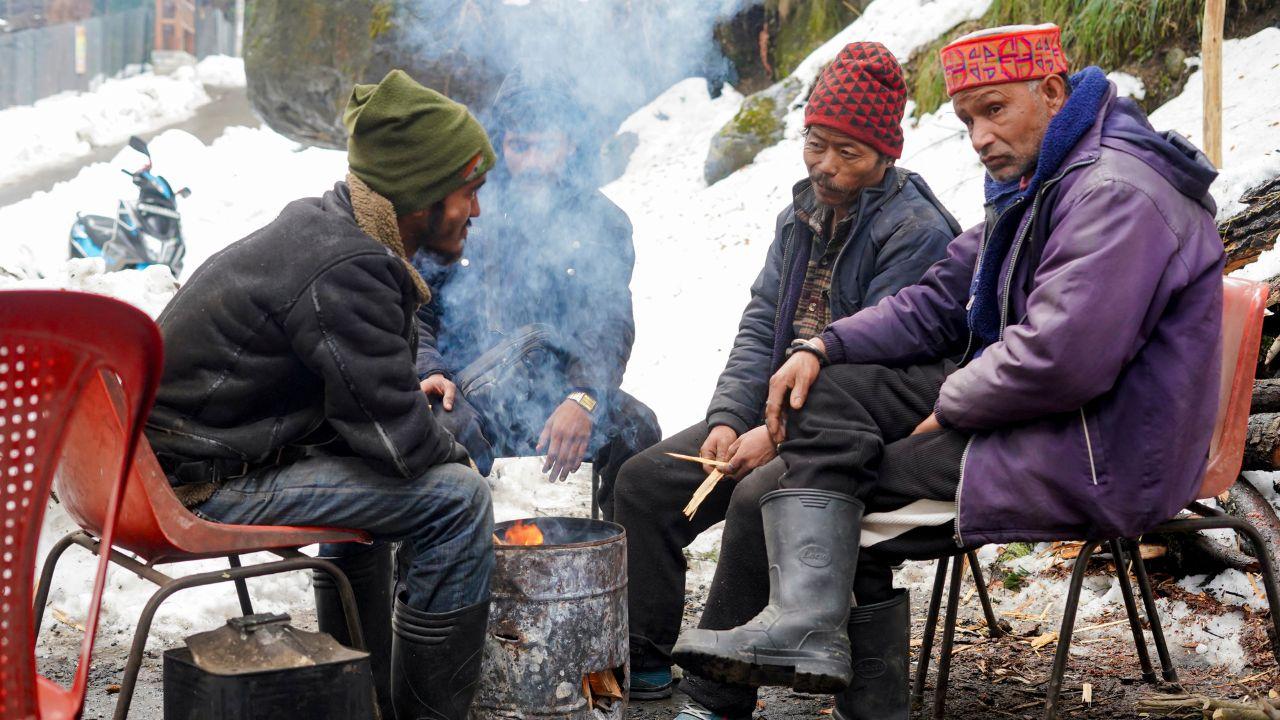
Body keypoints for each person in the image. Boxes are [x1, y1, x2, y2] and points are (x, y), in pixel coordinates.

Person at [670, 23, 1225, 720]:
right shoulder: (1046, 177)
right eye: (967, 119)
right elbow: (936, 301)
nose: (979, 136)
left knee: (824, 491)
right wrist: (824, 347)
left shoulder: (1112, 191)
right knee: (829, 394)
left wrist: (958, 400)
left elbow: (1064, 357)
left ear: (1052, 93)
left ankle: (774, 673)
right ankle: (794, 639)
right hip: (1053, 420)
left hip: (1101, 449)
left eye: (995, 110)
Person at [611, 42, 961, 703]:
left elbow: (880, 366)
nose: (825, 165)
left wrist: (773, 438)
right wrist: (726, 419)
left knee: (757, 495)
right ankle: (645, 662)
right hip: (781, 407)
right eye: (815, 143)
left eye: (848, 153)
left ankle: (718, 697)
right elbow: (760, 328)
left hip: (860, 430)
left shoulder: (916, 230)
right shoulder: (798, 218)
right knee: (645, 482)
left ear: (887, 154)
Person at [145, 69, 497, 720]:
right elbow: (401, 447)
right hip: (195, 480)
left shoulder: (333, 231)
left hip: (182, 457)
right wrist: (457, 447)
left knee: (401, 479)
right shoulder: (348, 262)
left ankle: (365, 698)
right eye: (468, 190)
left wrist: (399, 393)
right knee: (458, 500)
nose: (475, 210)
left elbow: (356, 403)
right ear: (421, 193)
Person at [414, 77, 660, 518]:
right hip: (467, 392)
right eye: (518, 146)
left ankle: (613, 561)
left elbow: (608, 323)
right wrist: (431, 371)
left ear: (568, 144)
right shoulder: (463, 209)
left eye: (545, 146)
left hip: (559, 388)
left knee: (638, 431)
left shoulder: (601, 221)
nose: (531, 163)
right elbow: (416, 313)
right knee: (434, 436)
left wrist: (583, 397)